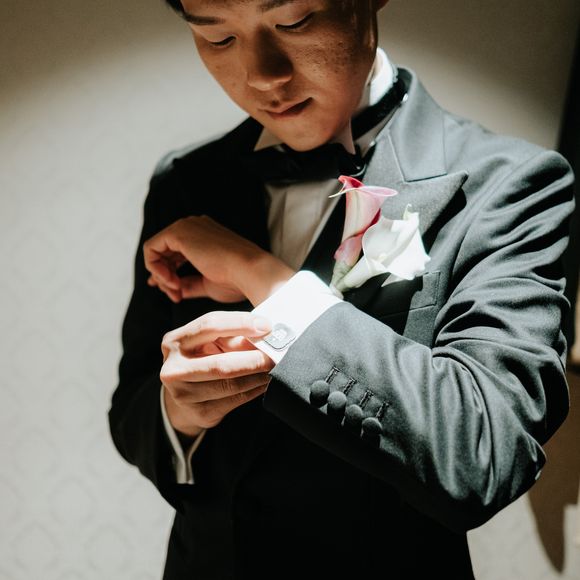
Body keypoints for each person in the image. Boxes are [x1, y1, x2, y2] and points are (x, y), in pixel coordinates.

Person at [108, 1, 576, 578]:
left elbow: (484, 455)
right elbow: (132, 412)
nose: (263, 75)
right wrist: (178, 413)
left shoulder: (510, 184)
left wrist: (263, 278)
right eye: (218, 38)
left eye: (294, 22)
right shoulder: (186, 181)